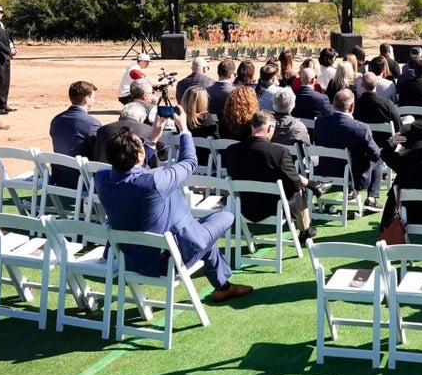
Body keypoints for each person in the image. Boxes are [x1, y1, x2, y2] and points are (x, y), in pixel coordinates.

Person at [93, 111, 252, 304]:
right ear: (139, 155)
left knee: (198, 233)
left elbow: (128, 168)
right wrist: (184, 129)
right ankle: (223, 285)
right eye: (140, 144)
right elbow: (190, 162)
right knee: (226, 215)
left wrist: (152, 140)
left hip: (130, 258)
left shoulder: (101, 178)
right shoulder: (154, 181)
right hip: (166, 262)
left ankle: (223, 287)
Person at [221, 110, 315, 245]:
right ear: (270, 128)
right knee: (298, 188)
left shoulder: (231, 150)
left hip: (245, 206)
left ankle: (313, 187)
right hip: (274, 208)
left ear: (252, 126)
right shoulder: (279, 152)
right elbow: (294, 184)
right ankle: (305, 230)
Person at [314, 89, 383, 208]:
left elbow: (317, 142)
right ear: (352, 107)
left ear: (333, 105)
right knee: (379, 158)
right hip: (353, 174)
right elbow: (376, 155)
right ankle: (371, 197)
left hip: (326, 170)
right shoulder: (361, 128)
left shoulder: (320, 123)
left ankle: (352, 191)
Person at [48, 81, 102, 188]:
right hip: (82, 179)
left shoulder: (56, 120)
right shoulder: (92, 123)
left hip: (59, 178)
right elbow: (98, 151)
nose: (94, 101)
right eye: (93, 97)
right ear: (86, 98)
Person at [91, 99, 161, 167]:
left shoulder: (102, 130)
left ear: (121, 116)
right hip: (137, 172)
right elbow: (154, 162)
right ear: (140, 119)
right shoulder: (149, 131)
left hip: (105, 172)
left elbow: (96, 157)